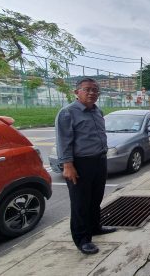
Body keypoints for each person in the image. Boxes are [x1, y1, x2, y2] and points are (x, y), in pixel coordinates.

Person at [55, 78, 116, 255]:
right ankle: (82, 239)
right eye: (87, 89)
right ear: (77, 92)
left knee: (95, 198)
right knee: (80, 203)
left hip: (99, 160)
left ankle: (95, 227)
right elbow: (63, 142)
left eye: (95, 90)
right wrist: (67, 165)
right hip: (80, 164)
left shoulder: (98, 111)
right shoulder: (67, 113)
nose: (92, 93)